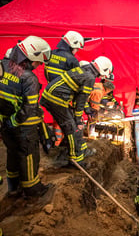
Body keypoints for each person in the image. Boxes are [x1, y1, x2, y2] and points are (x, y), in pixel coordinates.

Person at [0, 36, 51, 197]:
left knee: (12, 153)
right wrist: (15, 121)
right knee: (28, 153)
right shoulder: (29, 78)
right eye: (39, 62)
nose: (39, 66)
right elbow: (29, 107)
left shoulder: (2, 65)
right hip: (22, 125)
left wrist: (8, 122)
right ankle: (32, 188)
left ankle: (13, 187)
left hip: (4, 122)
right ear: (32, 56)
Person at [40, 56, 114, 167]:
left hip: (55, 96)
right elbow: (81, 99)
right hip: (56, 99)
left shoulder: (85, 69)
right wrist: (79, 119)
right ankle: (75, 160)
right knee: (72, 128)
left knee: (74, 125)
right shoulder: (89, 77)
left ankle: (81, 150)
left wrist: (86, 108)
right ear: (104, 70)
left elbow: (79, 93)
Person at [44, 31, 84, 147]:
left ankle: (56, 143)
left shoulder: (51, 53)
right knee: (69, 124)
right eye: (76, 48)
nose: (76, 51)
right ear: (72, 45)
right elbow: (77, 83)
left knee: (57, 118)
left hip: (50, 92)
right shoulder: (72, 60)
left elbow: (47, 73)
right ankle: (71, 149)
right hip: (64, 96)